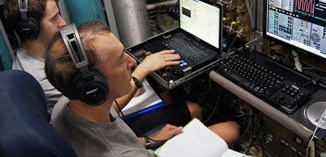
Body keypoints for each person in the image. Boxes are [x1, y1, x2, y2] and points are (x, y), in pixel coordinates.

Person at [3, 0, 240, 143]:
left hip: (107, 131)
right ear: (29, 30)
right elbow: (102, 114)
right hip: (115, 134)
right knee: (219, 122)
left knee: (165, 92)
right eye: (55, 19)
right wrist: (152, 140)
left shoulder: (40, 60)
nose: (64, 23)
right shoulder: (41, 77)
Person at [45, 22, 240, 156]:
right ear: (94, 88)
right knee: (232, 128)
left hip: (143, 147)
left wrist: (150, 140)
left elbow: (114, 131)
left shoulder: (67, 106)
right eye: (121, 60)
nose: (132, 62)